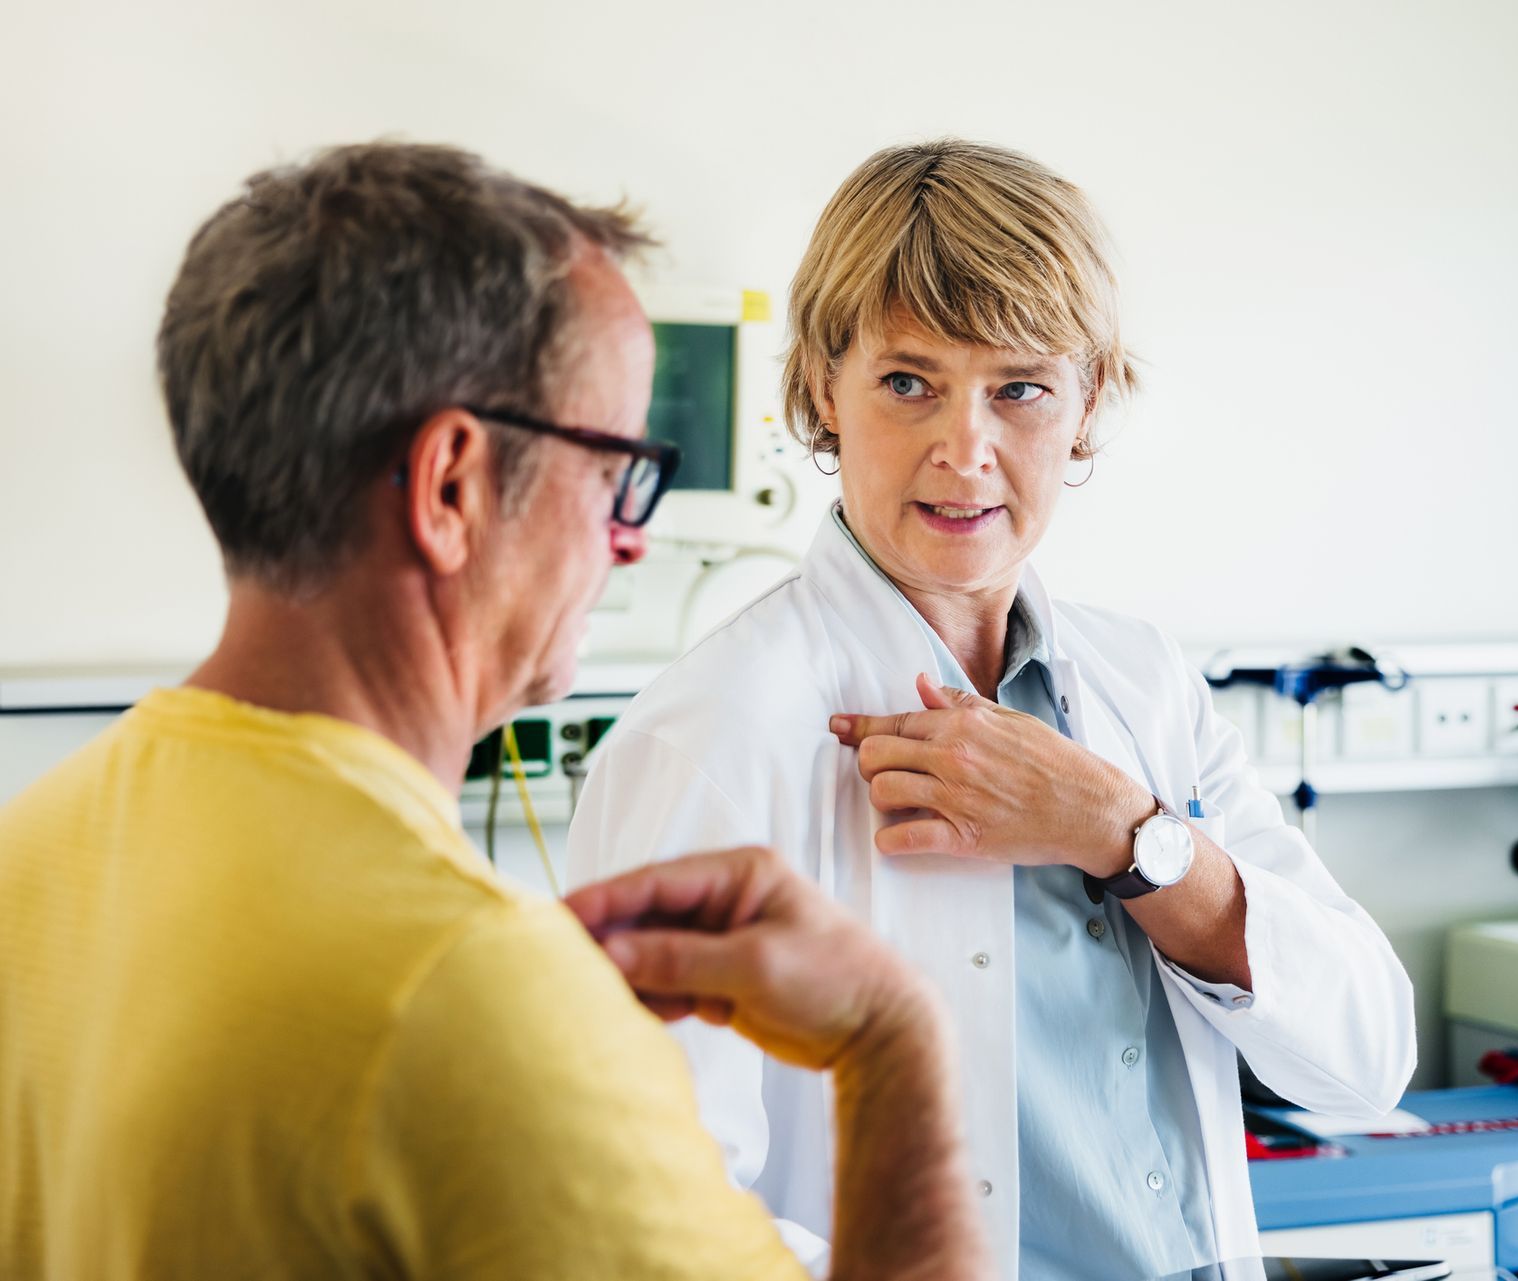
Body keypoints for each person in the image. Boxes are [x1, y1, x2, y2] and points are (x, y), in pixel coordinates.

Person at [0, 141, 986, 1281]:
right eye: (618, 471)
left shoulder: (30, 861)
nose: (632, 538)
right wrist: (892, 1048)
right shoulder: (471, 991)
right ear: (453, 488)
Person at [569, 138, 1419, 1280]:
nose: (964, 452)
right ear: (825, 388)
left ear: (1088, 403)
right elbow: (642, 1211)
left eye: (1019, 388)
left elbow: (1364, 1062)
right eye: (908, 383)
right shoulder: (715, 733)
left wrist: (1125, 836)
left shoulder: (1142, 685)